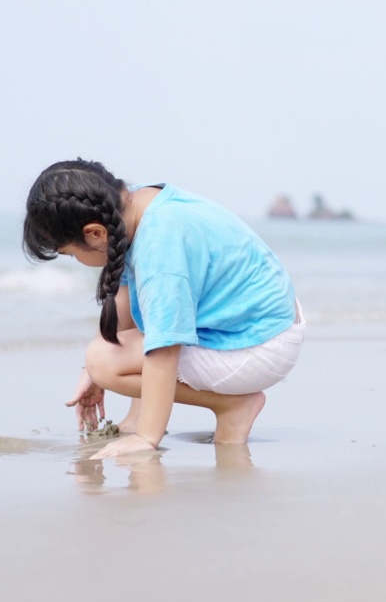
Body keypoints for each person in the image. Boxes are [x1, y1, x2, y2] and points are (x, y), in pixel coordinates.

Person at [23, 159, 305, 459]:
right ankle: (137, 418)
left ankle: (233, 405)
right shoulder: (136, 203)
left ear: (94, 234)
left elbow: (164, 346)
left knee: (104, 359)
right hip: (259, 319)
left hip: (260, 345)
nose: (75, 260)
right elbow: (126, 296)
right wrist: (90, 374)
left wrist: (147, 438)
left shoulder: (159, 248)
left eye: (69, 254)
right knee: (105, 353)